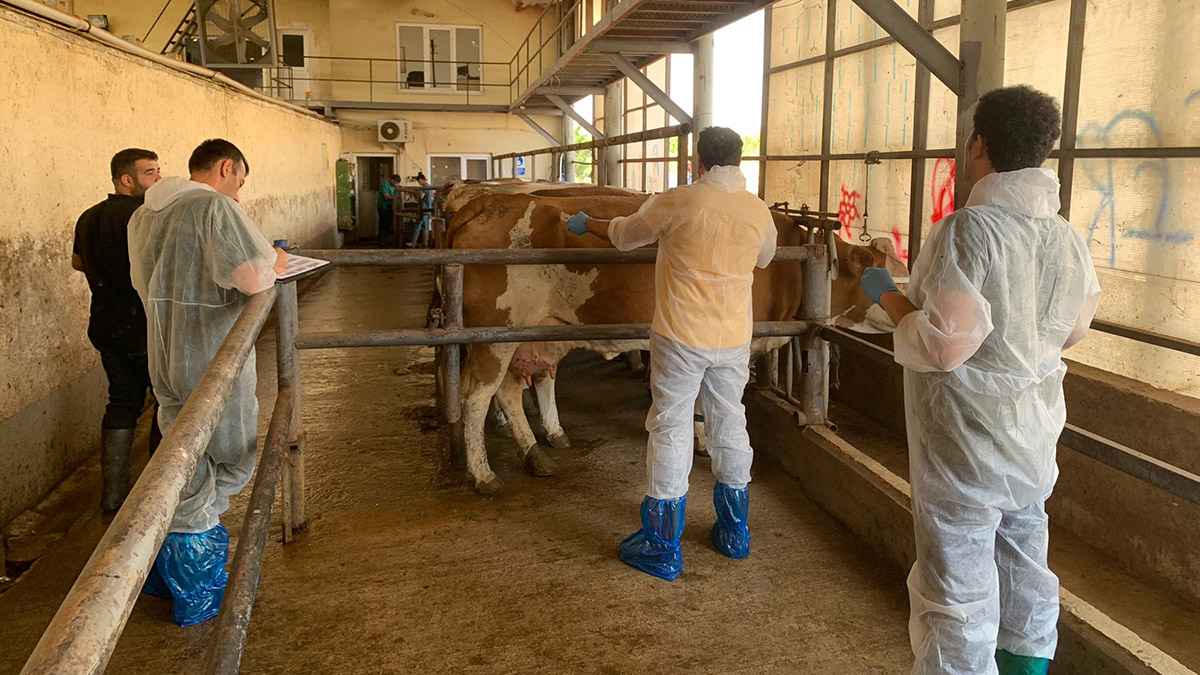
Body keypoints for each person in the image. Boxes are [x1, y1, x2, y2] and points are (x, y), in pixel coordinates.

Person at [858, 86, 1101, 675]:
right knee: (1024, 561)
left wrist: (885, 293)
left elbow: (944, 345)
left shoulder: (969, 229)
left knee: (958, 587)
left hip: (967, 438)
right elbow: (1072, 331)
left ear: (979, 144)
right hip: (1033, 432)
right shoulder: (1066, 237)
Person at [565, 127, 777, 581]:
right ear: (739, 160)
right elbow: (764, 258)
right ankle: (735, 531)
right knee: (729, 420)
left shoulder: (681, 200)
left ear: (698, 161)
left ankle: (662, 545)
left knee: (671, 424)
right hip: (734, 336)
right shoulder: (757, 209)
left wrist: (590, 224)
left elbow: (625, 235)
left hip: (681, 334)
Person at [128, 139, 287, 626]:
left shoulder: (146, 214)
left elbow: (143, 280)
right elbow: (254, 278)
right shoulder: (215, 207)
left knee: (183, 453)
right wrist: (278, 259)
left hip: (167, 350)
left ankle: (166, 557)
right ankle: (193, 575)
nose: (238, 190)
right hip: (213, 351)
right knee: (233, 458)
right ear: (226, 168)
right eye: (239, 179)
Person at [72, 148, 163, 511]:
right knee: (165, 401)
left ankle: (113, 497)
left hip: (106, 325)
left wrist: (105, 271)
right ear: (128, 180)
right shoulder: (145, 216)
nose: (158, 179)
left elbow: (78, 262)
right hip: (142, 326)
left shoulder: (89, 216)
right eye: (151, 173)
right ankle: (157, 493)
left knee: (122, 401)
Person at [407, 172, 435, 249]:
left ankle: (413, 243)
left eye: (418, 181)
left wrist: (415, 196)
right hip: (428, 209)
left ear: (421, 180)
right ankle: (424, 244)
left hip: (423, 208)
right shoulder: (429, 187)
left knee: (418, 225)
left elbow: (421, 197)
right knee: (425, 227)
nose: (418, 183)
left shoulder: (424, 187)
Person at [378, 173, 400, 247]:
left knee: (388, 224)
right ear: (392, 180)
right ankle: (381, 241)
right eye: (395, 182)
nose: (396, 184)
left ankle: (385, 240)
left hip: (389, 207)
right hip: (383, 207)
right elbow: (386, 196)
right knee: (383, 224)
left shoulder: (392, 186)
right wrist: (396, 198)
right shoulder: (385, 184)